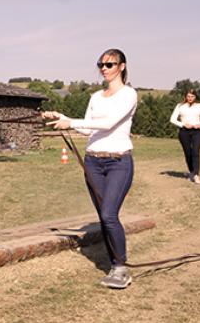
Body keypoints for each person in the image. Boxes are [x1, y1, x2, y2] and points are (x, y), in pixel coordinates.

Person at [43, 48, 137, 289]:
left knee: (109, 214)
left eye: (110, 64)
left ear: (122, 66)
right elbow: (88, 129)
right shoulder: (96, 97)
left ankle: (120, 268)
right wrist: (62, 117)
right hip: (93, 162)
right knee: (104, 217)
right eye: (101, 65)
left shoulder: (129, 95)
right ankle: (115, 264)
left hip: (118, 162)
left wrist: (70, 122)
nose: (104, 69)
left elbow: (108, 123)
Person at [169, 89, 200, 184]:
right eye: (188, 96)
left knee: (195, 152)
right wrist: (183, 124)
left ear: (195, 97)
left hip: (197, 132)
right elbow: (172, 119)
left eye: (192, 96)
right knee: (188, 153)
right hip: (184, 132)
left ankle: (196, 174)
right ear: (185, 97)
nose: (190, 98)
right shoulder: (180, 106)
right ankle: (191, 171)